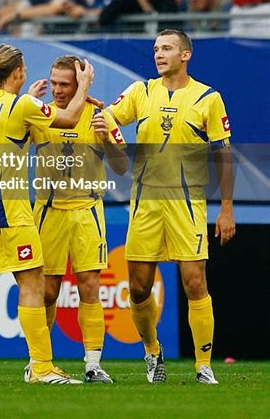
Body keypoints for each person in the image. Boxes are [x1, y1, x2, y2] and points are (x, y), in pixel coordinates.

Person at [0, 43, 93, 384]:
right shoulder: (21, 105)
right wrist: (83, 86)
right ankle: (40, 368)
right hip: (6, 209)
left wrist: (31, 103)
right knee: (32, 283)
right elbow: (67, 119)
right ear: (19, 73)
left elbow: (10, 124)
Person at [106, 29, 235, 384]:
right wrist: (109, 133)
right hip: (145, 201)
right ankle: (152, 353)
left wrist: (226, 208)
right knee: (138, 288)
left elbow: (223, 154)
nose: (159, 54)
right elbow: (108, 120)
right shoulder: (140, 91)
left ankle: (203, 365)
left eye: (166, 48)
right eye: (155, 49)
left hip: (186, 203)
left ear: (185, 55)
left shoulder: (208, 98)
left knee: (195, 283)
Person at [29, 54, 128, 383]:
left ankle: (92, 363)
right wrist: (27, 102)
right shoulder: (40, 114)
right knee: (46, 291)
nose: (57, 90)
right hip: (49, 210)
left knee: (90, 287)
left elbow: (122, 166)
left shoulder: (100, 115)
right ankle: (39, 362)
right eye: (53, 83)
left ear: (80, 84)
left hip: (87, 210)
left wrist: (107, 140)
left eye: (64, 84)